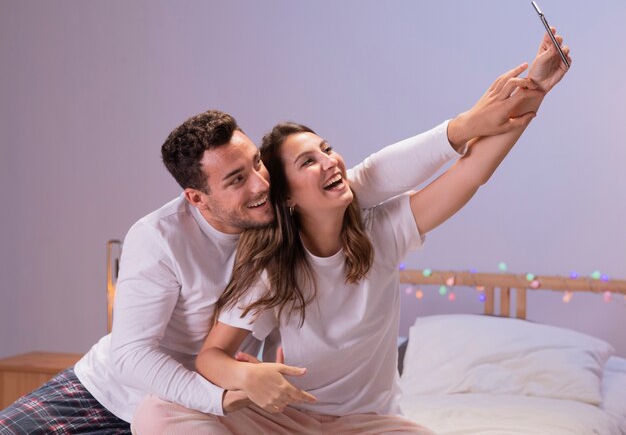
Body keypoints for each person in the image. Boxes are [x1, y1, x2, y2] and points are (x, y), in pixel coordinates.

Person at [0, 52, 543, 435]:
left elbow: (392, 174)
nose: (258, 184)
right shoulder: (176, 243)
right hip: (130, 393)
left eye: (257, 165)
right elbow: (139, 355)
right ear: (198, 197)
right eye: (237, 180)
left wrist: (501, 108)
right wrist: (237, 384)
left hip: (290, 410)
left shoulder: (337, 230)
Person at [130, 32, 571, 434]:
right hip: (290, 421)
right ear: (287, 198)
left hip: (370, 425)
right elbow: (211, 358)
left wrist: (536, 87)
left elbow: (472, 170)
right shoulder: (272, 268)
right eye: (307, 162)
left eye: (326, 149)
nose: (329, 162)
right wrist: (248, 377)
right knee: (157, 413)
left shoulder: (385, 231)